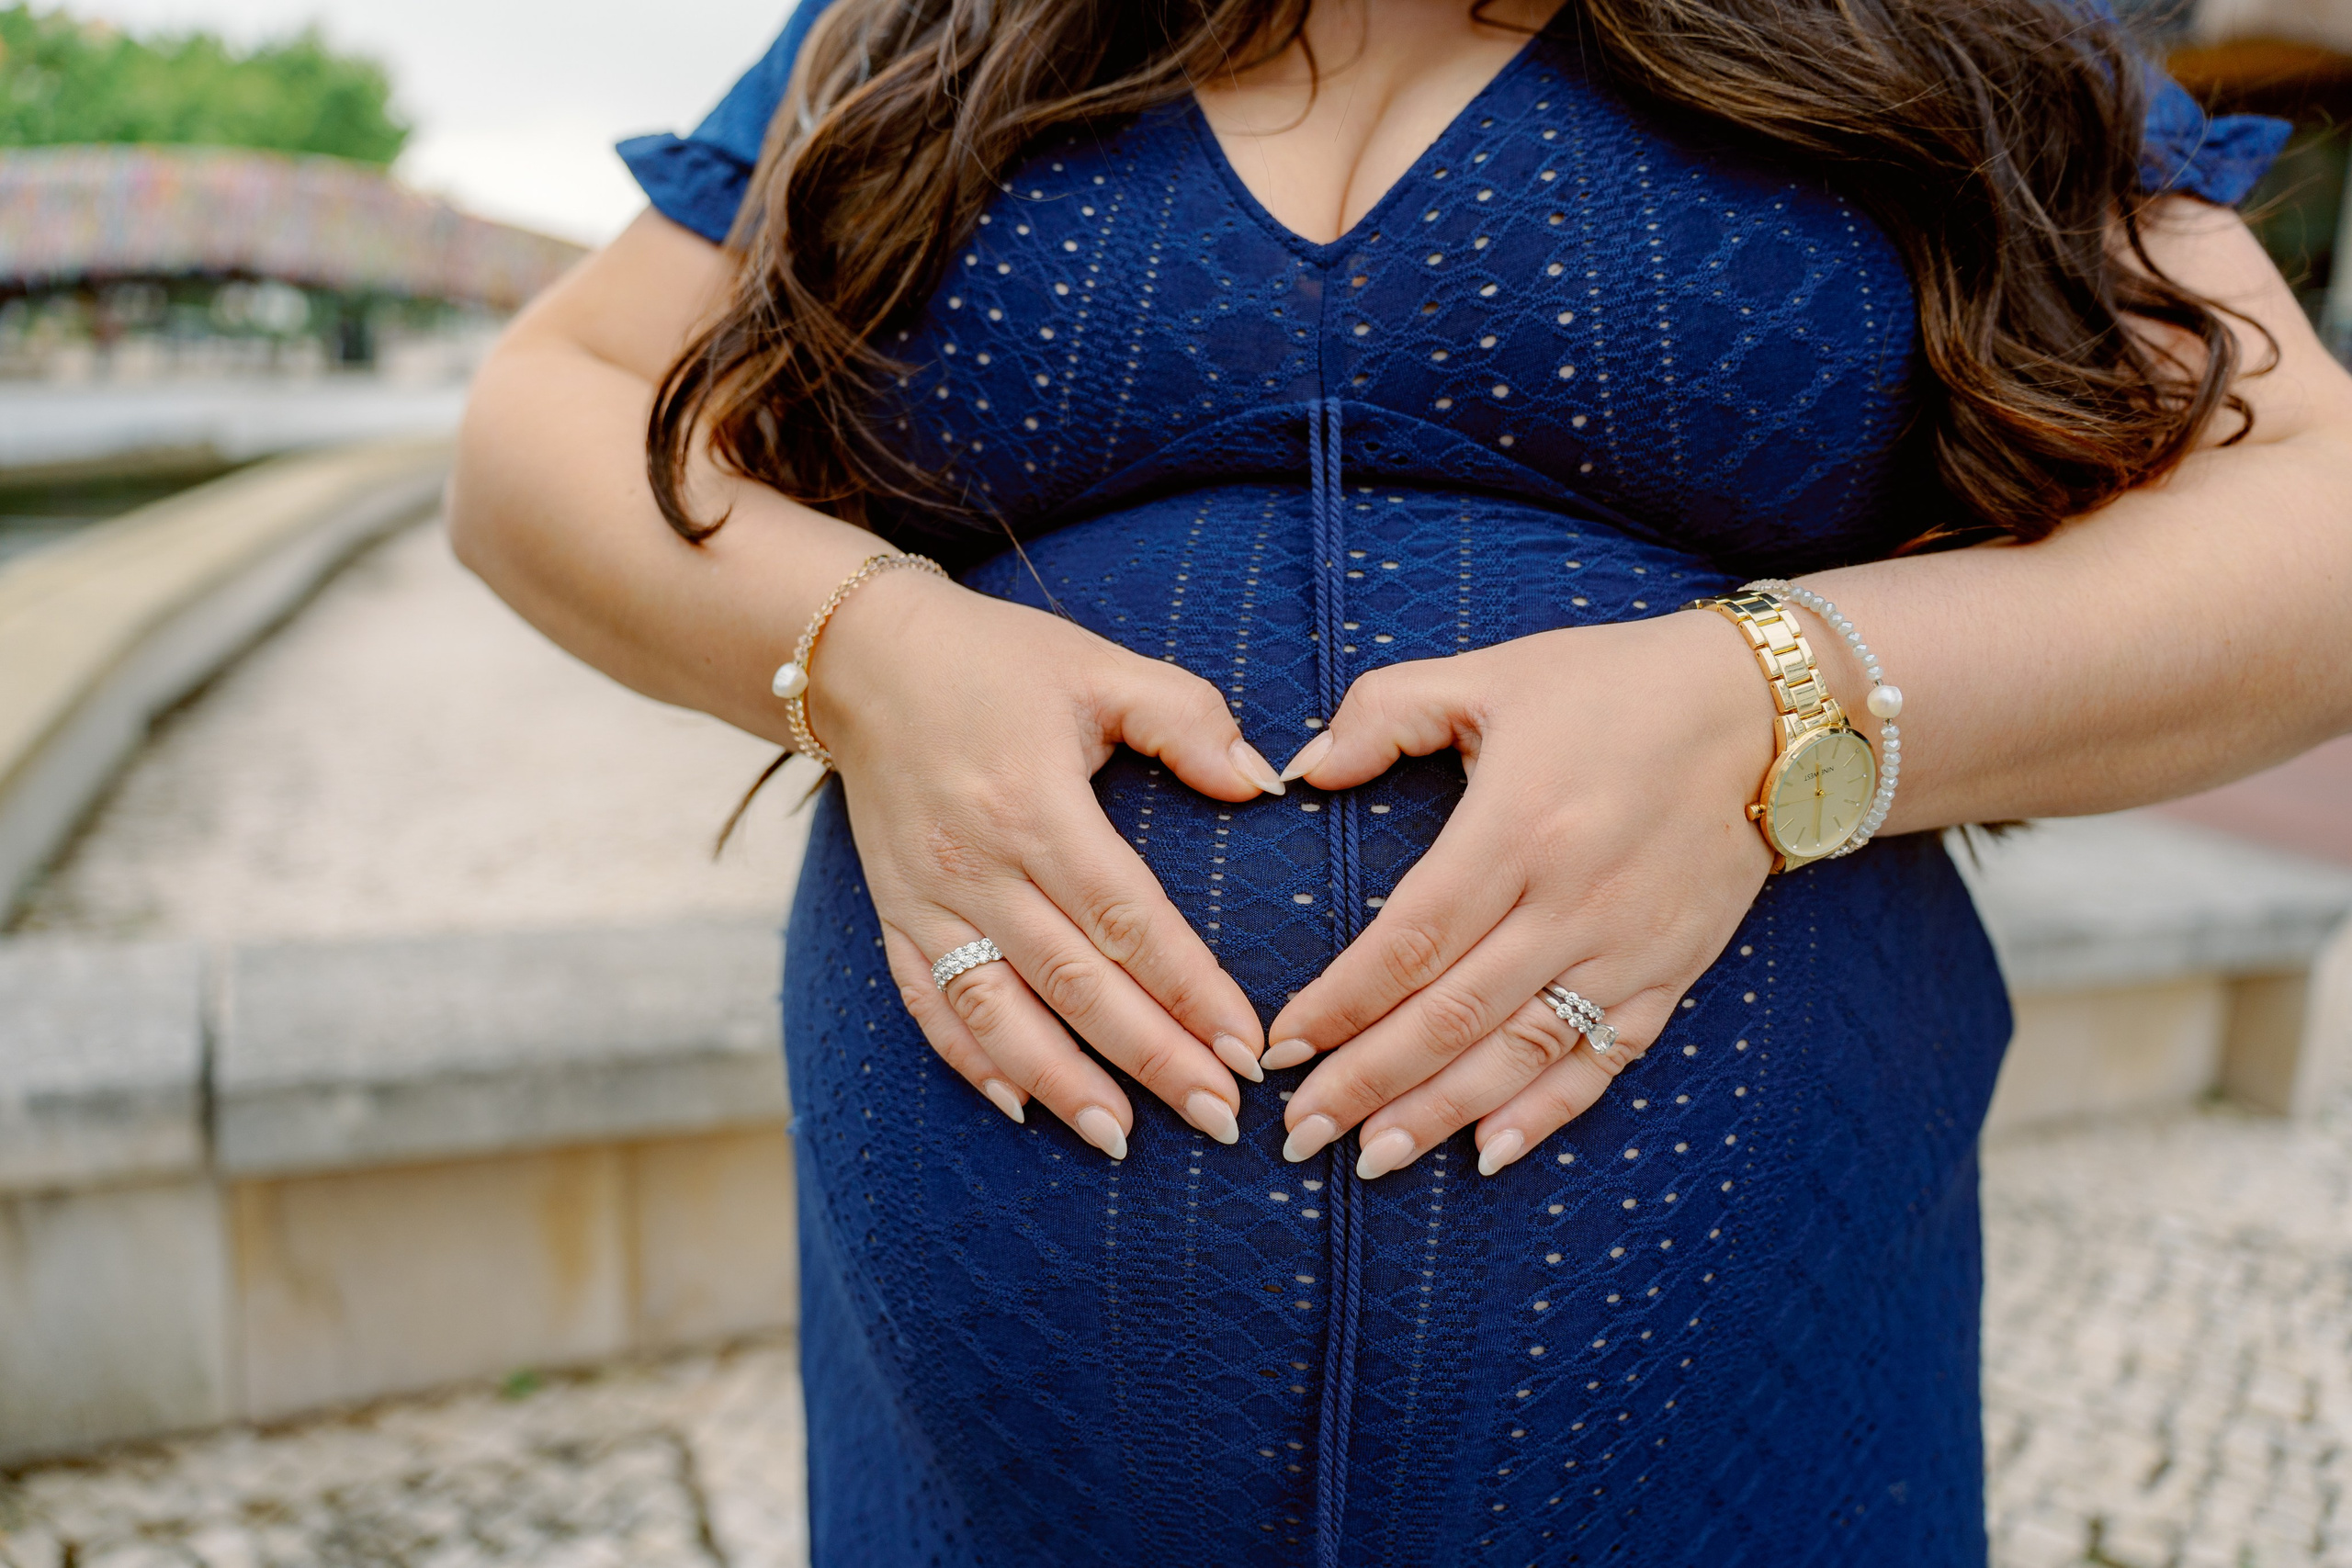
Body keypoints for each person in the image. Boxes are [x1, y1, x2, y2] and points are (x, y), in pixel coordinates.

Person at [448, 0, 2350, 1560]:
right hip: (993, 1425)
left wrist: (1776, 701)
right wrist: (862, 647)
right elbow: (541, 418)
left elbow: (2310, 521)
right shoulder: (921, 24)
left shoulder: (1943, 21)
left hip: (1739, 1384)